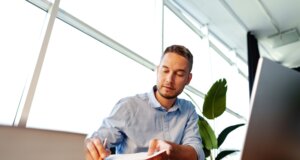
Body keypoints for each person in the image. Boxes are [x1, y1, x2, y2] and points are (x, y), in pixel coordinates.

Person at [85, 44, 205, 160]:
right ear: (158, 70)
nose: (169, 80)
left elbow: (196, 153)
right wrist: (92, 147)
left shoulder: (188, 110)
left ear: (188, 79)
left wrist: (170, 150)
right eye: (165, 70)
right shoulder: (129, 106)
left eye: (179, 74)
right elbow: (100, 138)